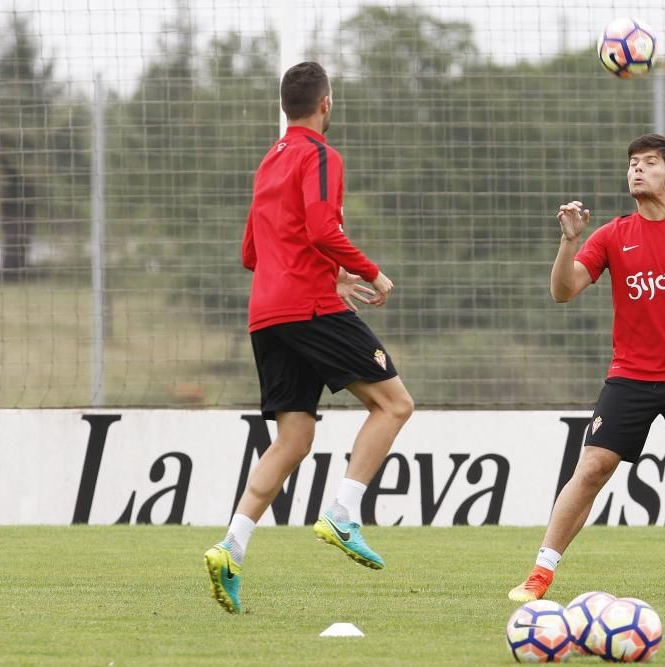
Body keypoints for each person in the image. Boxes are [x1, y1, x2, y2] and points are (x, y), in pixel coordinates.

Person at [508, 134, 665, 603]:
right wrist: (569, 243)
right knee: (591, 468)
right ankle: (539, 576)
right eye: (632, 163)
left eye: (649, 163)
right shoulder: (611, 235)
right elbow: (562, 292)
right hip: (629, 375)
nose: (637, 170)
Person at [204, 62, 415, 614]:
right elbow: (323, 229)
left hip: (266, 315)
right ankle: (344, 514)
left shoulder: (269, 161)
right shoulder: (320, 155)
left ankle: (231, 548)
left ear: (284, 107)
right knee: (394, 404)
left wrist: (330, 272)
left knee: (293, 438)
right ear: (326, 103)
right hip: (307, 305)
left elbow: (251, 253)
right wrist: (367, 272)